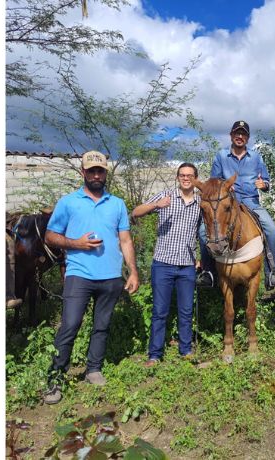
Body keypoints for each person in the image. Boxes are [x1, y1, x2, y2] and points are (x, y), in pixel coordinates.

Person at [42, 150, 140, 405]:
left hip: (110, 277)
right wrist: (76, 243)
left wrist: (132, 271)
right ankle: (55, 377)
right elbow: (50, 236)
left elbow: (125, 239)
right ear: (83, 172)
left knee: (102, 325)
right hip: (79, 275)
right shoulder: (68, 202)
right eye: (92, 170)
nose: (96, 175)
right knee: (70, 325)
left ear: (105, 173)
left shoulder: (116, 203)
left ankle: (93, 369)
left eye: (100, 171)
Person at [197, 120, 275, 289]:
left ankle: (272, 273)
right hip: (226, 202)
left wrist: (264, 185)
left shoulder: (256, 157)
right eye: (237, 133)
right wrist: (224, 185)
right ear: (231, 135)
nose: (240, 136)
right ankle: (209, 273)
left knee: (272, 230)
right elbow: (214, 182)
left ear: (247, 138)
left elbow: (266, 180)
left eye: (243, 134)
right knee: (202, 232)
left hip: (251, 201)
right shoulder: (221, 156)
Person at [132, 163, 201, 366]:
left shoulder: (201, 201)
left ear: (195, 178)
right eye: (182, 175)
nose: (186, 178)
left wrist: (200, 257)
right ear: (177, 177)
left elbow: (205, 232)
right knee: (160, 311)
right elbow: (136, 212)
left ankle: (185, 350)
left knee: (186, 310)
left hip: (187, 265)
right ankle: (154, 355)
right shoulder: (166, 195)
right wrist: (156, 205)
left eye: (190, 175)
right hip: (163, 263)